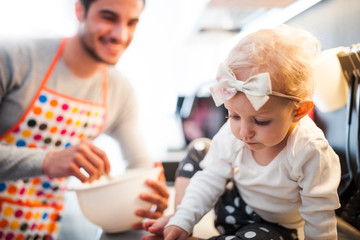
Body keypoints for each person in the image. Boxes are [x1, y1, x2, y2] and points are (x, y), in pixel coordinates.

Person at [142, 25, 341, 240]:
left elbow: (319, 215)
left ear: (299, 111)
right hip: (232, 204)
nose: (244, 132)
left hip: (272, 227)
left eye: (261, 121)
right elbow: (210, 178)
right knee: (200, 148)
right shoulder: (233, 133)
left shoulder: (310, 150)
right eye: (233, 116)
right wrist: (183, 219)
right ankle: (180, 222)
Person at [0, 0, 169, 239]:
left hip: (40, 228)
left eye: (132, 23)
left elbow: (140, 165)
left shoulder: (119, 90)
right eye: (108, 17)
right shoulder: (15, 57)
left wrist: (149, 195)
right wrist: (46, 160)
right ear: (80, 10)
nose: (121, 35)